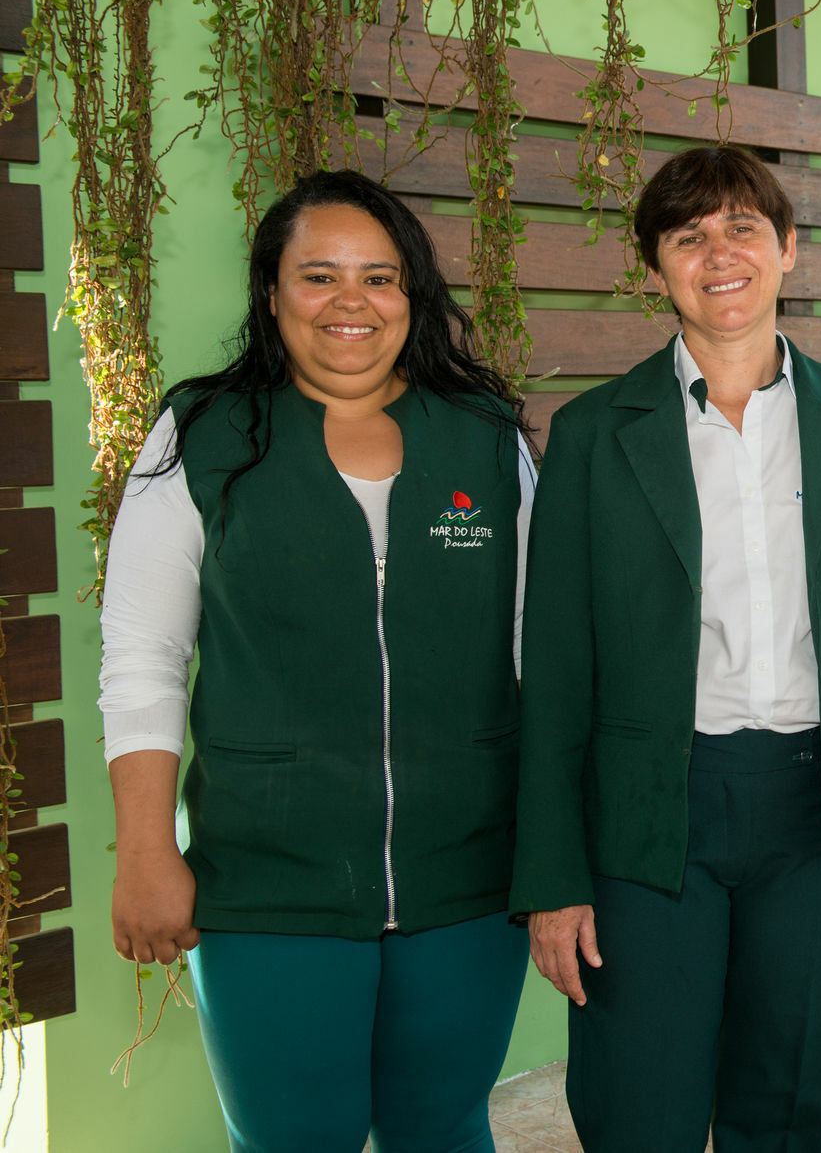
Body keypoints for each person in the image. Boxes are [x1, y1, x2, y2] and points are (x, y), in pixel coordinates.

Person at [511, 144, 821, 1153]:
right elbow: (556, 673)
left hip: (817, 811)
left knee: (784, 1101)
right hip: (647, 815)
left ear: (789, 249)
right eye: (688, 236)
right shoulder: (593, 434)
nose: (720, 254)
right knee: (639, 1106)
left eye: (743, 228)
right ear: (656, 268)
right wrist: (550, 874)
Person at [98, 169, 537, 1153]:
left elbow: (537, 652)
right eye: (319, 275)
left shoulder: (483, 436)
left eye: (379, 278)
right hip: (266, 885)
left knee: (445, 1127)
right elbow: (144, 659)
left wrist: (554, 850)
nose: (352, 302)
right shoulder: (203, 439)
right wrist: (144, 850)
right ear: (271, 293)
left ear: (412, 296)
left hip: (468, 880)